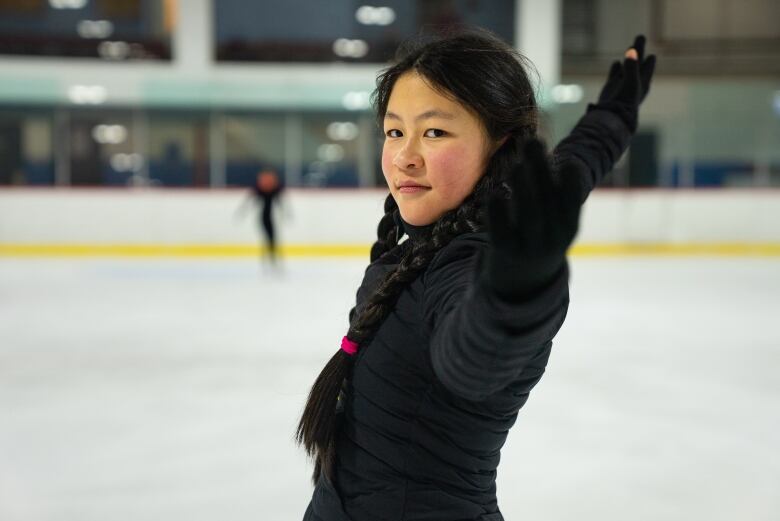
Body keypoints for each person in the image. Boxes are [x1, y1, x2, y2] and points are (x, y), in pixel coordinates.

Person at [297, 29, 656, 521]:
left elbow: (475, 356)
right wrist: (613, 115)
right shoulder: (446, 234)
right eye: (395, 131)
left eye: (435, 132)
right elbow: (578, 162)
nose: (405, 156)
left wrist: (520, 285)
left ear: (498, 145)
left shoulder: (469, 263)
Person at [236, 169, 285, 266]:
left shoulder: (274, 189)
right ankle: (269, 257)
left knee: (272, 237)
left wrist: (285, 212)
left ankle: (271, 257)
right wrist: (243, 210)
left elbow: (279, 201)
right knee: (268, 237)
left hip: (270, 217)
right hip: (263, 217)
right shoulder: (260, 190)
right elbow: (250, 200)